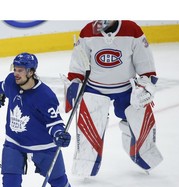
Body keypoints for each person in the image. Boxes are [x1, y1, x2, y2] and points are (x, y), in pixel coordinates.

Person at [0, 52, 90, 187]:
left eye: (21, 70)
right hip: (14, 143)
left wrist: (59, 134)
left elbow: (54, 123)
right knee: (10, 183)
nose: (16, 74)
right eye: (15, 69)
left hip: (43, 145)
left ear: (32, 72)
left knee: (59, 182)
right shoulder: (10, 82)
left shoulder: (45, 95)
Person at [65, 20, 163, 177]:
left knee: (140, 124)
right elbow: (78, 63)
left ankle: (143, 153)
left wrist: (145, 84)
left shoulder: (132, 30)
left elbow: (145, 63)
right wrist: (75, 82)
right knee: (89, 130)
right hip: (94, 88)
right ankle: (86, 165)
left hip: (126, 89)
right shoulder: (87, 32)